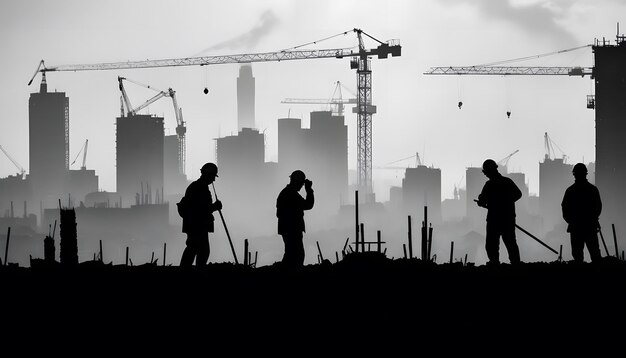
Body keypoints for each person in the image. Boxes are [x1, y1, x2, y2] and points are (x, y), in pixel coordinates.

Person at [475, 159, 522, 265]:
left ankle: (497, 263)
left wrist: (502, 203)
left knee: (496, 243)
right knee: (507, 243)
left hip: (497, 219)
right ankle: (514, 263)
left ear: (489, 171)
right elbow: (518, 194)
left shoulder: (490, 185)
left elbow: (518, 194)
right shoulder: (506, 182)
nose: (486, 175)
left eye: (486, 172)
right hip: (505, 218)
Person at [179, 162, 222, 267]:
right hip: (197, 226)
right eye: (212, 176)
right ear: (207, 174)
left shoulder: (199, 187)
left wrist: (213, 207)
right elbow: (200, 210)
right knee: (198, 250)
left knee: (195, 249)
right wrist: (215, 207)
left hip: (197, 225)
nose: (213, 180)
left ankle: (187, 270)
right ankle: (193, 272)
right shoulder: (199, 188)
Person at [561, 163, 602, 263]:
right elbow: (598, 207)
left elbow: (565, 209)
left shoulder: (570, 191)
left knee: (578, 256)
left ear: (574, 174)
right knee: (594, 255)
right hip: (589, 226)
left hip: (577, 228)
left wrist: (572, 221)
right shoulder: (592, 190)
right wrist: (593, 219)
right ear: (586, 174)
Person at [276, 170, 314, 267]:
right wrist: (309, 190)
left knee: (291, 254)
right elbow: (308, 205)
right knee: (296, 255)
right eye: (301, 184)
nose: (301, 186)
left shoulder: (286, 193)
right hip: (292, 230)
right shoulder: (291, 195)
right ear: (296, 182)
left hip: (287, 229)